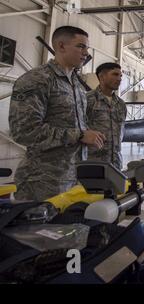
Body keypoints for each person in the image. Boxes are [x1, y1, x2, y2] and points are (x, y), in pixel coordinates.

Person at [9, 26, 105, 201]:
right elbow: (24, 131)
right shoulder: (37, 80)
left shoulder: (76, 83)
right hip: (42, 183)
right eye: (81, 46)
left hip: (73, 179)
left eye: (87, 48)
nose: (85, 53)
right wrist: (80, 135)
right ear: (61, 46)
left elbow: (73, 126)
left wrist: (86, 138)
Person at [86, 63, 127, 170]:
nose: (119, 79)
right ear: (102, 76)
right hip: (92, 162)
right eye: (115, 74)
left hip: (116, 164)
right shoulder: (87, 100)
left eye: (120, 76)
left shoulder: (121, 104)